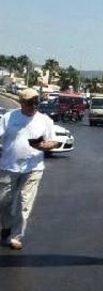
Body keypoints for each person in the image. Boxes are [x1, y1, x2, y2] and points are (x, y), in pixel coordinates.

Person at [0, 88, 60, 250]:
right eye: (30, 103)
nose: (34, 106)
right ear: (22, 103)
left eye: (36, 102)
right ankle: (6, 226)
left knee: (24, 203)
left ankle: (16, 236)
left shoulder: (44, 120)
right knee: (3, 201)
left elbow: (53, 142)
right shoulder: (9, 117)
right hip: (8, 166)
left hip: (33, 169)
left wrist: (43, 146)